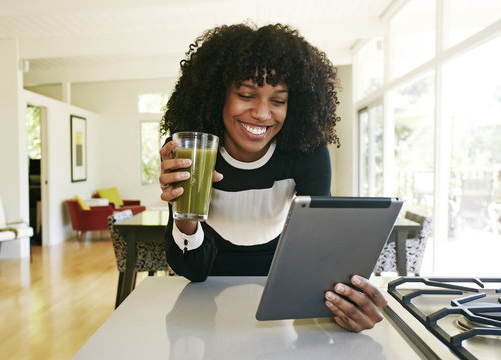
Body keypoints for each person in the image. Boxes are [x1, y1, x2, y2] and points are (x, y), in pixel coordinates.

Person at [159, 23, 387, 332]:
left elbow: (320, 252)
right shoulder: (192, 151)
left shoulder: (308, 155)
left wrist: (348, 302)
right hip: (205, 293)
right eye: (246, 95)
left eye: (278, 101)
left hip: (284, 292)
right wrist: (184, 210)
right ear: (217, 97)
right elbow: (193, 270)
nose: (263, 113)